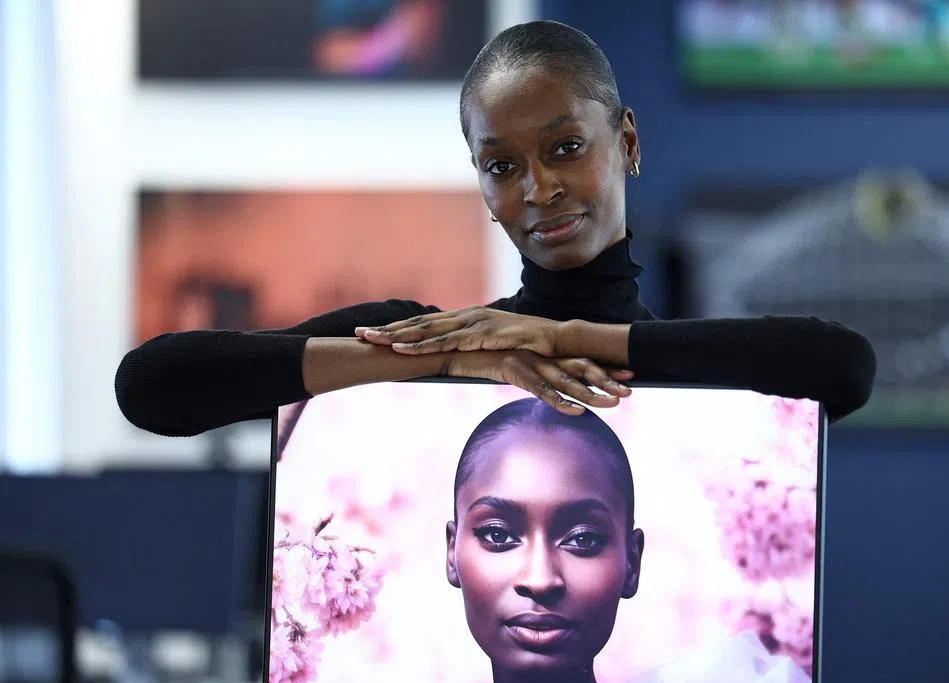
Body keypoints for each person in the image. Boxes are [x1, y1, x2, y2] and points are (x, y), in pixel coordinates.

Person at [115, 20, 876, 441]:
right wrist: (451, 362)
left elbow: (844, 368)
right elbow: (152, 386)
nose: (538, 188)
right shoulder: (416, 342)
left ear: (629, 144)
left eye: (566, 149)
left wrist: (560, 339)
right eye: (501, 165)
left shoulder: (695, 374)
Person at [447, 397, 811, 683]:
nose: (540, 579)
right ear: (452, 551)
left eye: (583, 540)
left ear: (632, 563)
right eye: (498, 535)